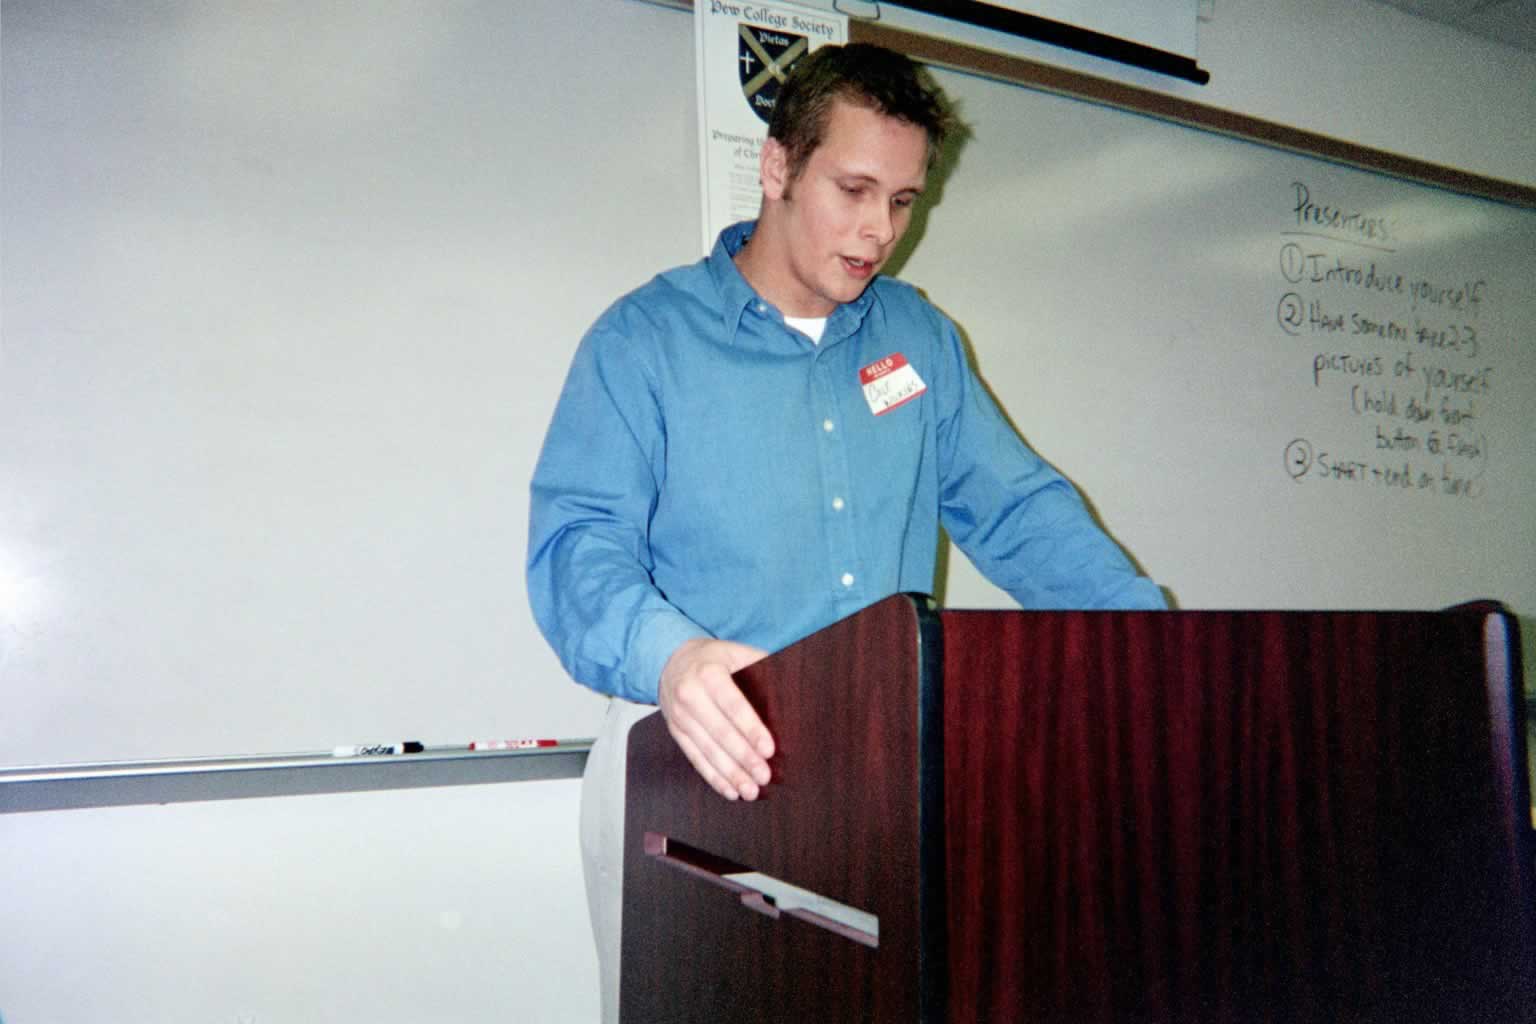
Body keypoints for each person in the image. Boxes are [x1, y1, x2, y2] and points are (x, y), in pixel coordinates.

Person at [526, 43, 1165, 1021]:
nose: (879, 233)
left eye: (904, 201)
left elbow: (1019, 509)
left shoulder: (919, 343)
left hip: (879, 775)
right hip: (695, 761)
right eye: (855, 188)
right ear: (778, 167)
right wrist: (675, 657)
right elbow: (578, 544)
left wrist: (1156, 645)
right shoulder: (644, 340)